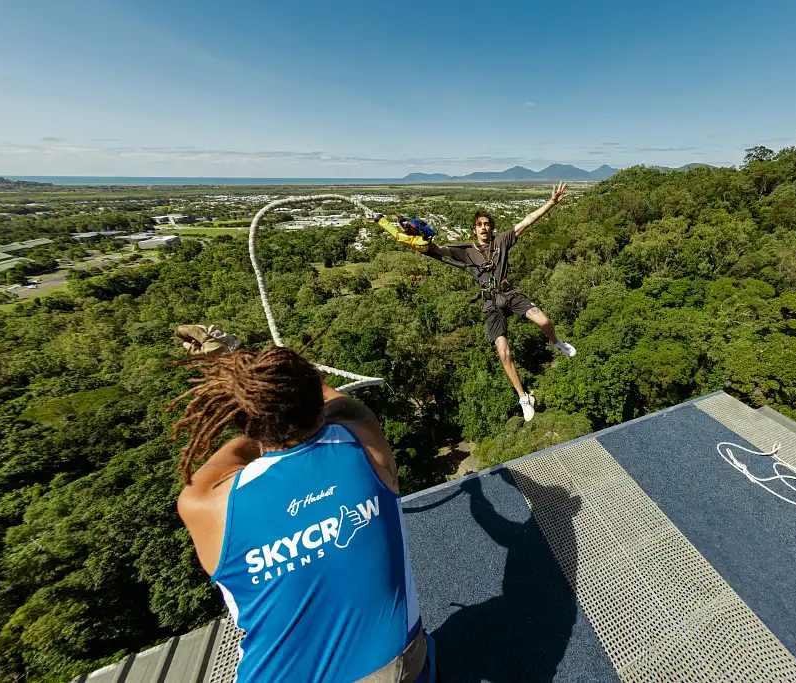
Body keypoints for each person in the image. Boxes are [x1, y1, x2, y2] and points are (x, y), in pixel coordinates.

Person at [171, 343, 432, 683]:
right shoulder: (363, 444)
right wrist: (273, 388)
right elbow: (342, 407)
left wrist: (248, 389)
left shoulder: (205, 503)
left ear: (245, 420)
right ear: (315, 404)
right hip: (397, 667)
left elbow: (232, 457)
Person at [380, 184, 576, 422]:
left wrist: (552, 203)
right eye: (480, 225)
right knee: (503, 353)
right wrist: (419, 238)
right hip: (490, 303)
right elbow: (438, 250)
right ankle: (524, 397)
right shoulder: (466, 250)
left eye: (487, 224)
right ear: (475, 230)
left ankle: (556, 342)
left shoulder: (502, 241)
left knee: (544, 321)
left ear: (492, 228)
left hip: (509, 293)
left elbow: (527, 220)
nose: (484, 228)